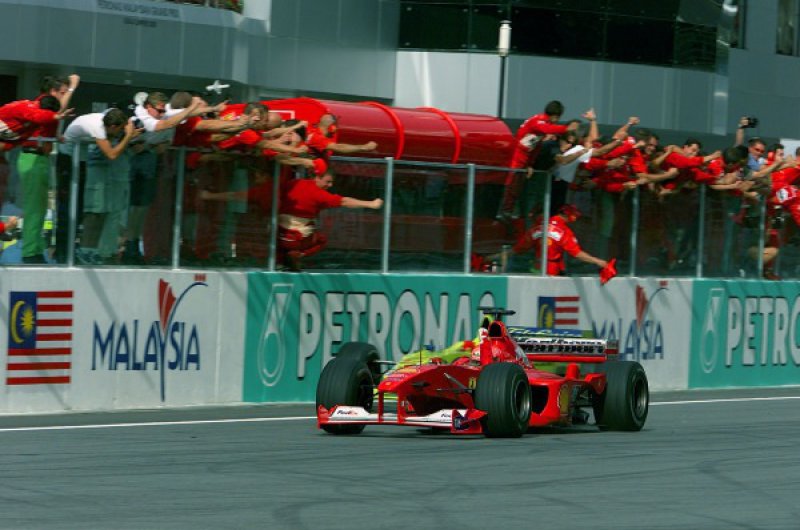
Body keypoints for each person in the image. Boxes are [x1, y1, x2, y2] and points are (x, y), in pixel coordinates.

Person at [59, 108, 140, 264]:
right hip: (68, 161)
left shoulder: (104, 123)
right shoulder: (98, 128)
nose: (120, 133)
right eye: (120, 130)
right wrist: (128, 136)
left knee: (95, 210)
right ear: (113, 126)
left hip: (80, 161)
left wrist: (127, 136)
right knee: (90, 211)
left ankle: (88, 251)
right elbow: (112, 154)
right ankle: (77, 251)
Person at [278, 170, 383, 271]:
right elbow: (345, 201)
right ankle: (298, 255)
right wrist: (370, 204)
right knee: (321, 240)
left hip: (278, 235)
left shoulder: (294, 183)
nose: (330, 185)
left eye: (331, 182)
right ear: (317, 177)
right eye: (328, 182)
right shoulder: (319, 194)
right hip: (296, 240)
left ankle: (281, 258)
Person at [509, 203, 610, 276]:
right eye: (575, 216)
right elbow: (577, 254)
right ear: (570, 216)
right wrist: (597, 261)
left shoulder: (539, 226)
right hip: (552, 272)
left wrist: (504, 255)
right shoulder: (564, 231)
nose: (575, 220)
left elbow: (519, 248)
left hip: (536, 268)